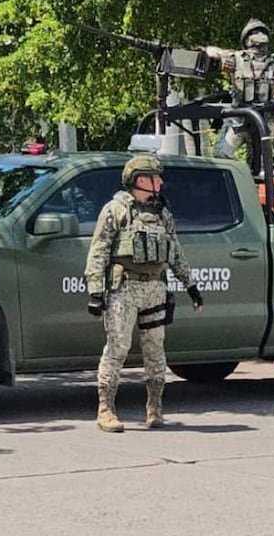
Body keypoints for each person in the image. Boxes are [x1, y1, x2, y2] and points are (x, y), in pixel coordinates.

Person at [84, 155, 204, 432]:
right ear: (141, 180)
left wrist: (191, 285)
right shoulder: (115, 210)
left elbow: (174, 251)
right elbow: (99, 250)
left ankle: (155, 408)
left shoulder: (162, 213)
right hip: (123, 290)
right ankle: (106, 409)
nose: (161, 182)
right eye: (155, 177)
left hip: (155, 290)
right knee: (118, 348)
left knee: (155, 349)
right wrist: (95, 291)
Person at [204, 19, 274, 171]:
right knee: (221, 156)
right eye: (254, 36)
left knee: (261, 166)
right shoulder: (236, 59)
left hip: (265, 122)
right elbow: (211, 52)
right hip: (238, 120)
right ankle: (238, 177)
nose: (258, 43)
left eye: (261, 36)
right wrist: (214, 54)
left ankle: (255, 186)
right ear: (246, 40)